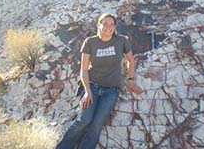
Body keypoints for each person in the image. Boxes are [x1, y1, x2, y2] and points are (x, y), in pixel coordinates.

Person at [55, 13, 143, 149]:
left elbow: (130, 60)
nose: (108, 27)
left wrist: (130, 80)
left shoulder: (122, 41)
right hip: (92, 86)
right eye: (105, 23)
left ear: (115, 27)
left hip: (111, 90)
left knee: (96, 125)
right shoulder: (90, 42)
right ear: (99, 25)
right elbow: (83, 70)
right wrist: (87, 91)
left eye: (112, 24)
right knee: (84, 120)